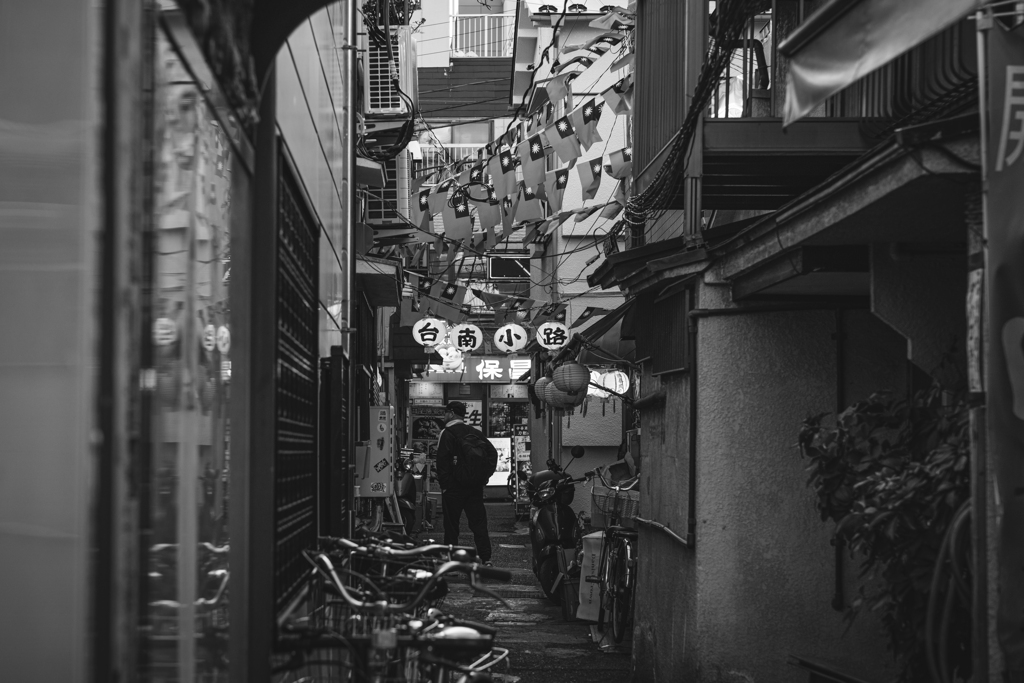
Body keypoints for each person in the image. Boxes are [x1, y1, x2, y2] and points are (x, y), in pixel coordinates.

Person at [435, 400, 493, 566]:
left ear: (451, 413)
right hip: (474, 487)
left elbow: (442, 461)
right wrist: (483, 478)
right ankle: (486, 558)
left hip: (453, 488)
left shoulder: (446, 433)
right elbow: (492, 453)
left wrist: (445, 485)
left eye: (445, 413)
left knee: (452, 526)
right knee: (479, 524)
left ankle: (451, 560)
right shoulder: (474, 432)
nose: (444, 416)